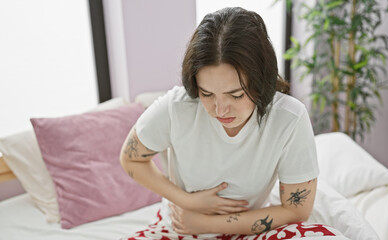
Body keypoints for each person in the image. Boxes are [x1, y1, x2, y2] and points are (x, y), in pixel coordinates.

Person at [119, 7, 321, 239]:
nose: (220, 110)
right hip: (181, 226)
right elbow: (130, 157)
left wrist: (207, 224)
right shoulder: (177, 107)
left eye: (236, 95)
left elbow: (296, 210)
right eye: (206, 94)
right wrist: (188, 202)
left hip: (251, 229)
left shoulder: (289, 118)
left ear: (262, 81)